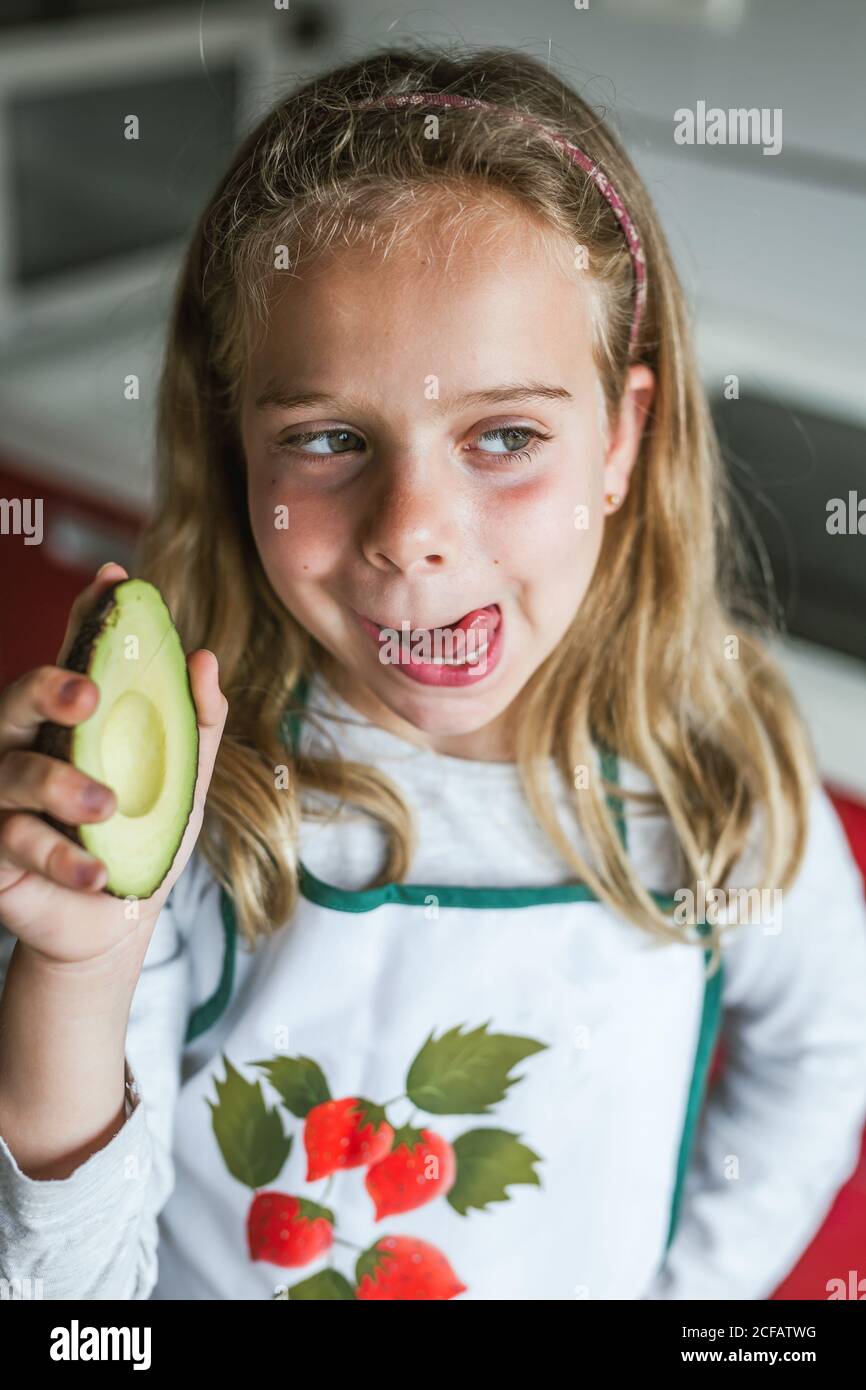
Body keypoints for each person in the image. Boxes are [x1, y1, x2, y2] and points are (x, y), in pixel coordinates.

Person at [2, 46, 866, 1302]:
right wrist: (74, 972)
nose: (411, 527)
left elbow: (821, 1053)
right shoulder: (183, 801)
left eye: (504, 436)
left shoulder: (721, 772)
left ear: (620, 440)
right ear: (234, 441)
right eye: (330, 439)